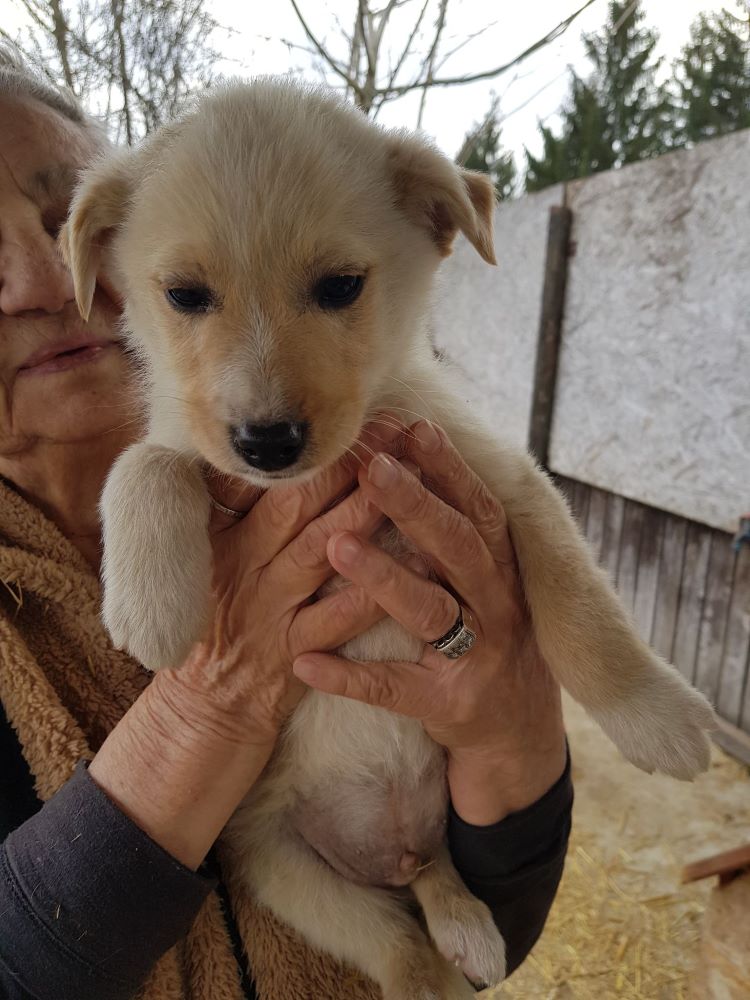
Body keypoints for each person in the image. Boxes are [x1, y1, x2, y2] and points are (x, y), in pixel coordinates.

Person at [0, 44, 572, 1000]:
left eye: (65, 219)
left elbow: (496, 932)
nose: (48, 281)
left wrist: (512, 744)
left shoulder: (377, 441)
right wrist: (209, 707)